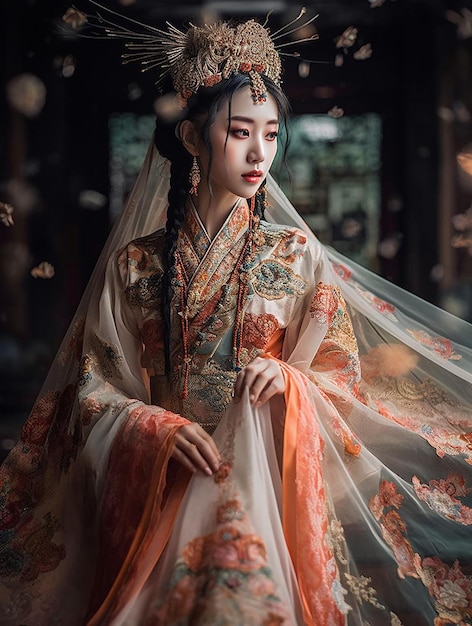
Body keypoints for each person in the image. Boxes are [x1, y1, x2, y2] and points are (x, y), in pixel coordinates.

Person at [1, 7, 472, 626]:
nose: (259, 153)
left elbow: (342, 379)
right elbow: (92, 389)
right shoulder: (136, 266)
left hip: (263, 482)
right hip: (162, 483)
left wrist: (290, 383)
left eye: (271, 134)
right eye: (239, 131)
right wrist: (154, 429)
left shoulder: (298, 255)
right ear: (192, 137)